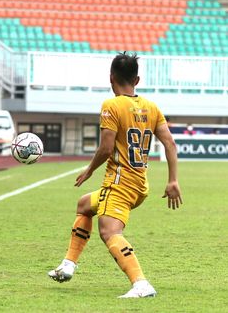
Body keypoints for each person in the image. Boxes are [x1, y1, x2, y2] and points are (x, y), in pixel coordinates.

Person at [48, 52, 182, 298]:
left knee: (109, 231)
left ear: (111, 78)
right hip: (140, 183)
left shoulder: (111, 105)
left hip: (119, 183)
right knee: (84, 206)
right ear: (137, 80)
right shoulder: (152, 107)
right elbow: (170, 144)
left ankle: (141, 283)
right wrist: (173, 180)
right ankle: (68, 265)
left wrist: (89, 170)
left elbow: (107, 148)